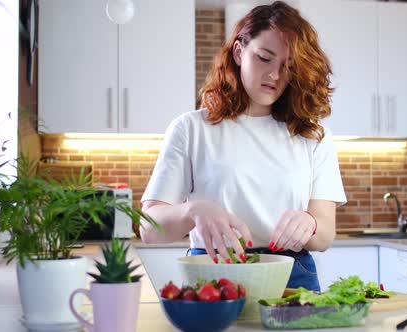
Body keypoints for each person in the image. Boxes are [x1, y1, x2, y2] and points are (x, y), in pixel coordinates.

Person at [139, 1, 346, 292]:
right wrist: (193, 211)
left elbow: (325, 234)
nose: (275, 75)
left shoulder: (314, 135)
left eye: (287, 67)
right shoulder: (191, 129)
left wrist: (310, 223)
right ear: (239, 52)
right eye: (264, 58)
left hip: (292, 276)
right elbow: (148, 229)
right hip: (214, 273)